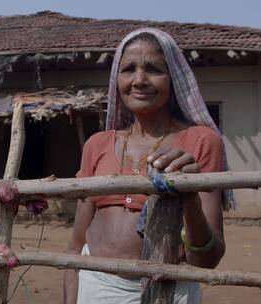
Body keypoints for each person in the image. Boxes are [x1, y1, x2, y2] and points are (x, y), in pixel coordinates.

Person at [63, 28, 230, 304]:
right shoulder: (98, 144)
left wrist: (189, 201)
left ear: (174, 79)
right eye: (128, 69)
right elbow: (75, 247)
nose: (139, 80)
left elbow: (207, 260)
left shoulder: (200, 141)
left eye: (153, 69)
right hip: (96, 286)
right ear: (116, 80)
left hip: (169, 290)